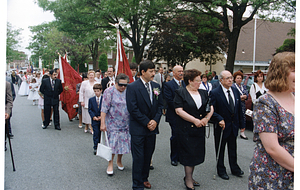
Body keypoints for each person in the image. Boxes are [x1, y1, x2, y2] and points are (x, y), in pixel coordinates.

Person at [248, 52, 294, 189]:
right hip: (274, 174)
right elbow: (272, 148)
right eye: (295, 71)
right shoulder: (266, 103)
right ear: (281, 73)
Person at [126, 60, 163, 190]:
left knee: (148, 155)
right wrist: (147, 122)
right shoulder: (132, 87)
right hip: (139, 128)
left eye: (154, 71)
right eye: (151, 71)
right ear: (143, 72)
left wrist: (155, 121)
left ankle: (144, 178)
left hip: (152, 128)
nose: (154, 73)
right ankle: (137, 184)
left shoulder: (156, 86)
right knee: (138, 157)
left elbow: (160, 106)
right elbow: (133, 109)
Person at [174, 69, 213, 190]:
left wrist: (206, 118)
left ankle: (189, 176)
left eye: (200, 80)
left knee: (196, 155)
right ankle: (188, 179)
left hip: (199, 129)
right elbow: (179, 110)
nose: (200, 83)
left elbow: (210, 107)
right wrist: (194, 120)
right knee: (188, 155)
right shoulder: (180, 92)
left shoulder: (203, 92)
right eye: (197, 80)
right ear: (190, 81)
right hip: (186, 129)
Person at [210, 70, 245, 180]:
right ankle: (221, 169)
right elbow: (211, 110)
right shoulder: (215, 92)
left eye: (231, 78)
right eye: (227, 78)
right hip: (222, 126)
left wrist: (242, 124)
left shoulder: (235, 91)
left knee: (233, 148)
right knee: (220, 149)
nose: (230, 80)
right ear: (221, 80)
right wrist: (219, 118)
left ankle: (234, 168)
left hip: (233, 125)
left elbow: (238, 109)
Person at [101, 73, 131, 176]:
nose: (123, 87)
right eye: (120, 85)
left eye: (125, 85)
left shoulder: (128, 91)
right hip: (113, 123)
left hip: (126, 123)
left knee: (122, 144)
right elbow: (104, 109)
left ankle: (119, 160)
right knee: (113, 145)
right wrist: (102, 123)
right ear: (116, 82)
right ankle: (110, 163)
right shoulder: (109, 92)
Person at [163, 65, 185, 167]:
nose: (181, 73)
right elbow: (169, 100)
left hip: (185, 115)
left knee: (182, 136)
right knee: (175, 135)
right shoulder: (168, 85)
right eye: (179, 71)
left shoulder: (185, 84)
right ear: (174, 73)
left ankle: (181, 155)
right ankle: (174, 157)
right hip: (174, 115)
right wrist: (180, 109)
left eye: (182, 71)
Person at [232, 71, 249, 140]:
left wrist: (244, 96)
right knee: (236, 117)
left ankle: (242, 132)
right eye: (237, 78)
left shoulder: (243, 86)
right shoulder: (233, 86)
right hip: (236, 104)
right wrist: (240, 97)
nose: (239, 79)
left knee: (243, 117)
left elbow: (246, 94)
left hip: (242, 104)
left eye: (240, 78)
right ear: (235, 79)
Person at [88, 83, 103, 155]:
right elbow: (90, 109)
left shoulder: (104, 99)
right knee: (96, 133)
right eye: (95, 91)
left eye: (98, 91)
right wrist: (93, 116)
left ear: (101, 91)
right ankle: (95, 147)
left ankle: (102, 147)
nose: (96, 92)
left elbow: (105, 109)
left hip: (102, 119)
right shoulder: (91, 100)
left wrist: (101, 116)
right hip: (94, 120)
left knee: (102, 134)